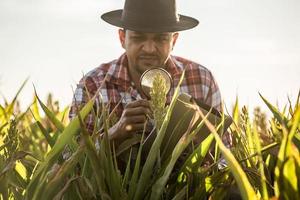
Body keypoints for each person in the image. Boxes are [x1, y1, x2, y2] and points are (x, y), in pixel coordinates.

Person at [69, 0, 231, 149]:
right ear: (122, 38)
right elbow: (71, 158)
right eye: (139, 38)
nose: (149, 48)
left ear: (173, 41)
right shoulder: (93, 84)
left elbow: (223, 152)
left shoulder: (201, 79)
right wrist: (115, 133)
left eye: (160, 39)